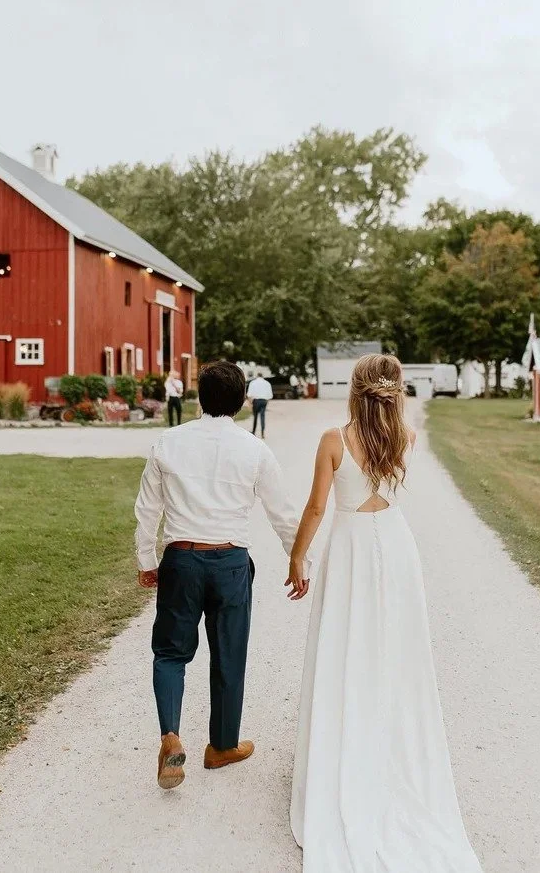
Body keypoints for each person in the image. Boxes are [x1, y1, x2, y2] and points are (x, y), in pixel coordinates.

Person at [288, 353, 482, 872]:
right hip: (395, 546)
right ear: (395, 391)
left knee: (344, 645)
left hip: (350, 546)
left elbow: (315, 509)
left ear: (354, 391)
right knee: (395, 648)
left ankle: (346, 748)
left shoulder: (335, 440)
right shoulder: (406, 438)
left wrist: (296, 555)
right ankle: (387, 743)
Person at [134, 361, 311, 790]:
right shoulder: (254, 449)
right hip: (231, 563)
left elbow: (147, 509)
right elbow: (282, 513)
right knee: (229, 655)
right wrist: (298, 560)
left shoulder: (167, 442)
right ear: (242, 402)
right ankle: (222, 746)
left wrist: (146, 560)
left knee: (171, 654)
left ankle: (171, 735)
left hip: (181, 559)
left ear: (199, 397)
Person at [247, 371, 273, 438]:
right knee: (262, 416)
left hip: (256, 401)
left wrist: (250, 404)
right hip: (264, 401)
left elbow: (249, 394)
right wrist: (266, 402)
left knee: (255, 416)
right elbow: (270, 395)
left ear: (257, 376)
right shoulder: (267, 383)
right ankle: (262, 432)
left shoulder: (253, 383)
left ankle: (254, 431)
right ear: (262, 376)